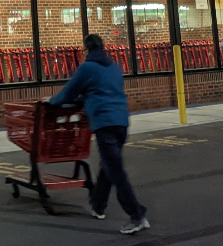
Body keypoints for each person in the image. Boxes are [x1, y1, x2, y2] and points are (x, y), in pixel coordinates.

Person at [48, 33, 149, 234]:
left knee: (116, 172)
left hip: (104, 123)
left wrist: (51, 102)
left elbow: (69, 92)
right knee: (108, 166)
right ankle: (98, 205)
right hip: (121, 121)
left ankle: (137, 215)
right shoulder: (113, 67)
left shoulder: (87, 68)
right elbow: (107, 90)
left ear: (87, 50)